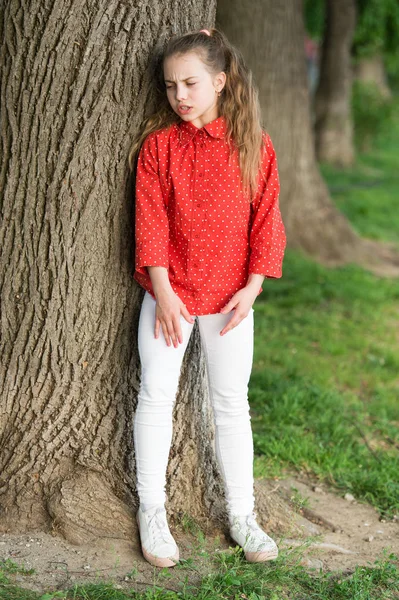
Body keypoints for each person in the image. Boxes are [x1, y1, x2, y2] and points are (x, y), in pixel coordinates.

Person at [128, 27, 286, 569]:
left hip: (231, 301)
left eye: (191, 83)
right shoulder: (160, 148)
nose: (180, 96)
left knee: (230, 405)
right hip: (170, 296)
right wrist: (165, 292)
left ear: (220, 82)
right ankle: (153, 510)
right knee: (155, 397)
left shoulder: (253, 146)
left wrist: (253, 287)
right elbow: (149, 223)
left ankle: (242, 513)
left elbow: (267, 219)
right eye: (171, 86)